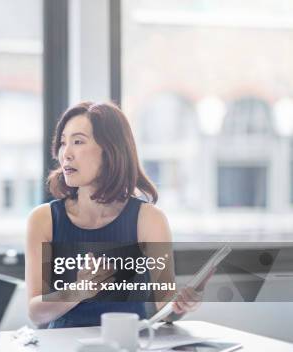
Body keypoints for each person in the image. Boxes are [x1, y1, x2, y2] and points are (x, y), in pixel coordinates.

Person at [25, 101, 201, 328]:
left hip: (130, 349)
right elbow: (35, 313)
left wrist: (180, 307)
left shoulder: (149, 220)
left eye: (77, 142)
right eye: (62, 143)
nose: (65, 154)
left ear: (110, 151)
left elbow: (164, 309)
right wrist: (77, 291)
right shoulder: (43, 220)